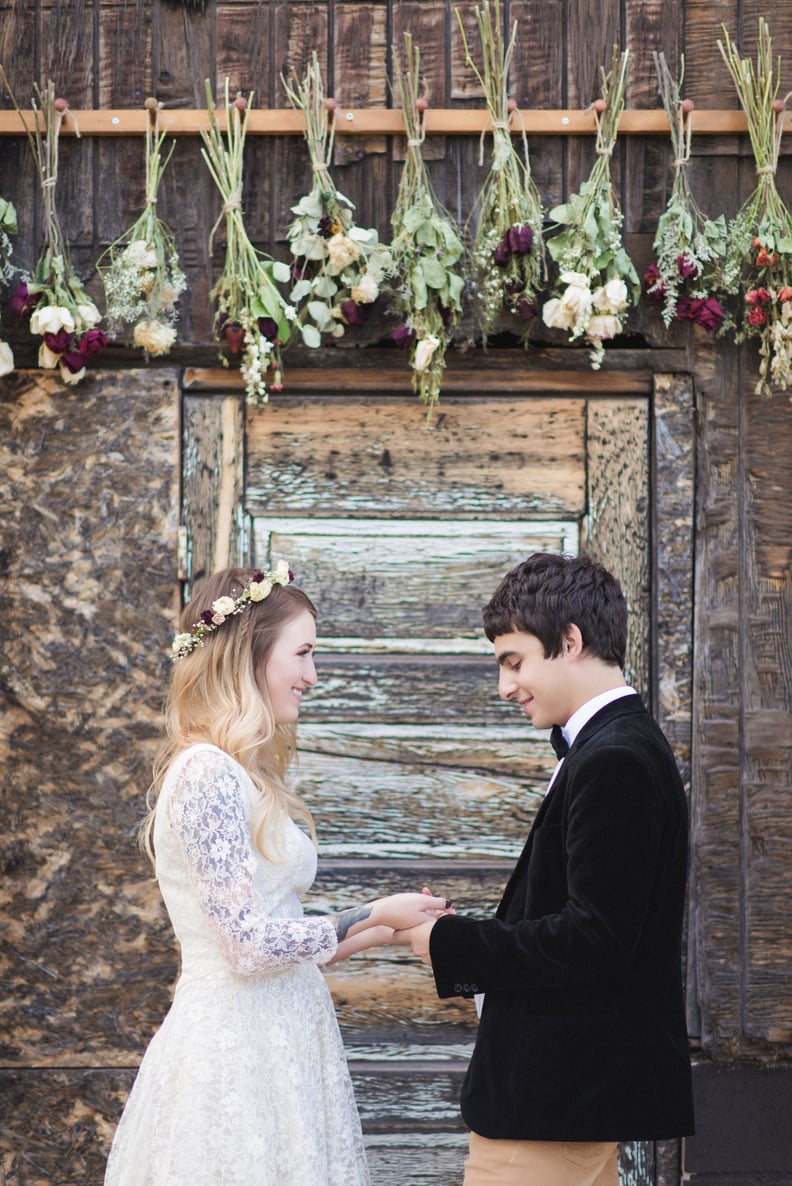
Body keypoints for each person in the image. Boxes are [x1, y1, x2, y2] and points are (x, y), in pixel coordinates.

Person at [104, 562, 450, 1186]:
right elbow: (245, 946)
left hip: (284, 1039)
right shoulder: (206, 773)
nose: (312, 676)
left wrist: (389, 930)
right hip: (235, 1051)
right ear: (250, 656)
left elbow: (284, 938)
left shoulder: (246, 775)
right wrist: (370, 912)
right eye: (304, 653)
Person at [397, 552, 694, 1186]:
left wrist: (451, 942)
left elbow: (595, 937)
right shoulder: (614, 747)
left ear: (570, 641)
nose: (505, 687)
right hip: (561, 1101)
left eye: (514, 661)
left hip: (552, 1104)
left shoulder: (615, 760)